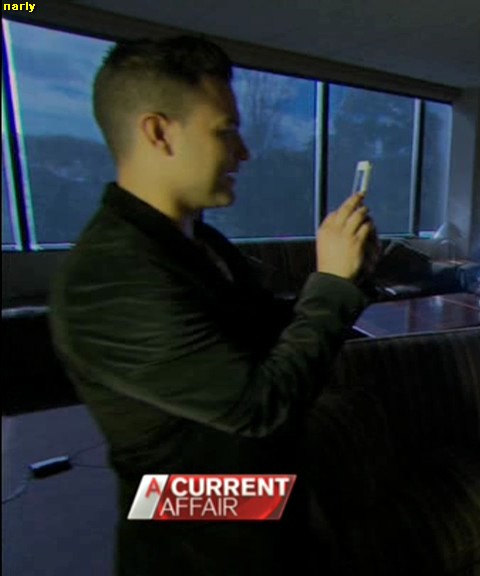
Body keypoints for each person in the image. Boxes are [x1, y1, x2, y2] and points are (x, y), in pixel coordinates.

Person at [48, 36, 375, 576]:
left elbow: (270, 339)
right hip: (195, 539)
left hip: (259, 503)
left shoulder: (200, 241)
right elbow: (260, 406)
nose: (244, 152)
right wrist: (332, 285)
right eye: (225, 131)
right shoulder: (108, 277)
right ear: (158, 132)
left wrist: (350, 274)